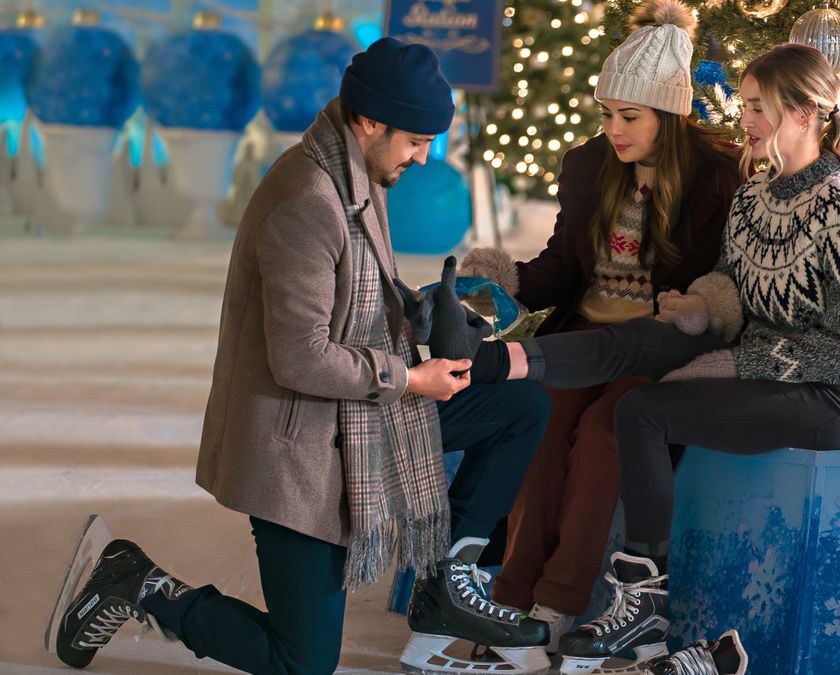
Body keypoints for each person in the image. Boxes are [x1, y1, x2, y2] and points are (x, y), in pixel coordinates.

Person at [51, 38, 552, 675]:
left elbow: (353, 291)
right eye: (417, 141)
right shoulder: (307, 201)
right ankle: (138, 582)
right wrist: (410, 378)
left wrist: (418, 313)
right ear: (371, 121)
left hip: (357, 418)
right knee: (303, 664)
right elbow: (302, 359)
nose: (424, 157)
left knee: (520, 404)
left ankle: (446, 582)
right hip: (298, 444)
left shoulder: (359, 172)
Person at [470, 42, 840, 675]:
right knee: (594, 410)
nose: (742, 119)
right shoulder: (755, 195)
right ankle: (579, 601)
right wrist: (703, 309)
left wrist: (731, 358)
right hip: (727, 354)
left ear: (804, 113)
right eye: (745, 104)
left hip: (824, 391)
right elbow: (728, 286)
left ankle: (591, 605)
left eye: (756, 107)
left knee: (624, 414)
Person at [457, 0, 743, 661]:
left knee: (602, 436)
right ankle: (508, 602)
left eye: (629, 116)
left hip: (656, 347)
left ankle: (555, 606)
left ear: (668, 113)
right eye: (606, 113)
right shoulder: (589, 165)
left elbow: (720, 284)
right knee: (541, 419)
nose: (612, 129)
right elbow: (562, 267)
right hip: (583, 336)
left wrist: (694, 310)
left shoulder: (718, 175)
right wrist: (508, 282)